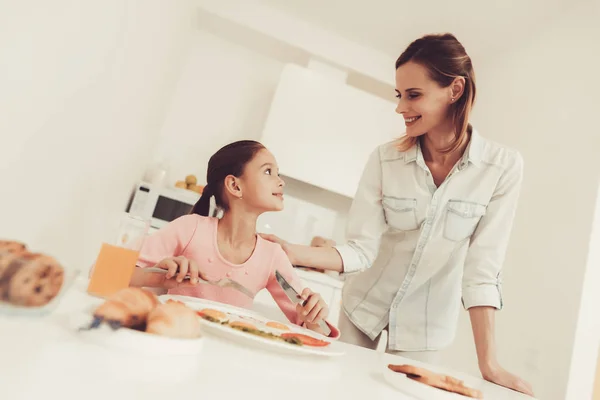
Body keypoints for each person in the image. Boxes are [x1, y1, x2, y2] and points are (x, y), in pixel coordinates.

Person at [260, 33, 533, 395]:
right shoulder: (385, 159)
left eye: (414, 95)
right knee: (336, 389)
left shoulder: (501, 167)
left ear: (454, 90)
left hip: (426, 327)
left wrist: (489, 364)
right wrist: (292, 252)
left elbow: (482, 269)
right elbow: (362, 248)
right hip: (363, 308)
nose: (401, 107)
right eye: (399, 95)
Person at [130, 140, 339, 338]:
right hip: (174, 336)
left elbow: (314, 331)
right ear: (235, 185)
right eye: (268, 171)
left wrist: (313, 315)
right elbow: (108, 272)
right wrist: (158, 277)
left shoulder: (272, 255)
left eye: (278, 173)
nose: (281, 181)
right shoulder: (190, 227)